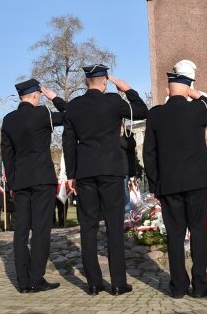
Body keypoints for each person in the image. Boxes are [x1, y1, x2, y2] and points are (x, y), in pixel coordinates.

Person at [143, 60, 207, 299]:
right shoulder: (197, 109)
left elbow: (148, 153)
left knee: (175, 235)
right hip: (196, 182)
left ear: (169, 89)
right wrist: (198, 95)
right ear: (187, 88)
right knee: (198, 232)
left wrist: (155, 184)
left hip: (169, 185)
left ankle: (178, 287)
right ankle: (200, 286)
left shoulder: (156, 115)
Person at [63, 64, 148, 296]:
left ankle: (93, 283)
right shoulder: (113, 101)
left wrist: (71, 175)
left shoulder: (73, 107)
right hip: (111, 170)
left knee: (88, 226)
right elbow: (142, 111)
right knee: (113, 226)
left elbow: (68, 143)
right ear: (104, 82)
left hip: (85, 172)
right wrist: (127, 89)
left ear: (86, 82)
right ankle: (118, 283)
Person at [0, 79, 67, 293]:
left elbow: (7, 155)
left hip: (20, 181)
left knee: (20, 231)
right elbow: (70, 114)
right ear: (36, 95)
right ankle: (36, 278)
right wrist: (55, 97)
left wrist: (12, 182)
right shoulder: (43, 114)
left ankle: (22, 282)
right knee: (40, 230)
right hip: (42, 179)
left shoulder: (8, 120)